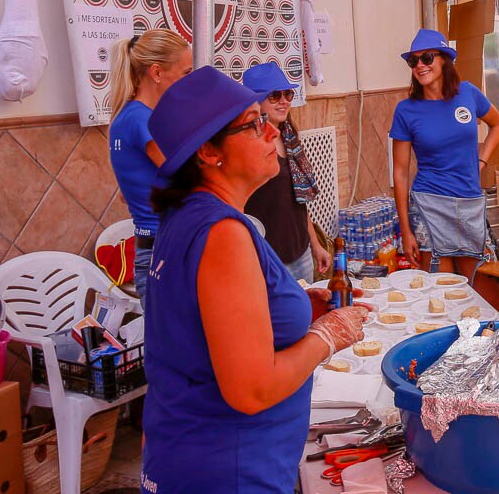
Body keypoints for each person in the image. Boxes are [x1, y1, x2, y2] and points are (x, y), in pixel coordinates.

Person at [141, 67, 371, 493]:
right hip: (230, 466)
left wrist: (300, 308)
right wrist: (328, 335)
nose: (272, 134)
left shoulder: (186, 216)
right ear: (209, 152)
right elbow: (251, 390)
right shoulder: (223, 233)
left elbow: (204, 322)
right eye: (253, 124)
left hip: (190, 451)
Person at [391, 29, 499, 295]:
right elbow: (399, 173)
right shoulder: (406, 110)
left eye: (427, 58)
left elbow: (497, 124)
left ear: (444, 60)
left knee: (485, 293)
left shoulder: (468, 94)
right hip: (428, 204)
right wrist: (405, 230)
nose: (420, 65)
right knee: (439, 293)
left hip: (469, 202)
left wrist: (481, 160)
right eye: (414, 61)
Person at [107, 29, 192, 303]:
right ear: (157, 73)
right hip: (166, 252)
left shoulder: (126, 118)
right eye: (185, 73)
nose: (188, 83)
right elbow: (189, 177)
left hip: (155, 248)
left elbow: (128, 191)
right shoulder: (144, 121)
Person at [242, 62, 332, 282]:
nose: (283, 101)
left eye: (288, 94)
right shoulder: (246, 145)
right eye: (274, 96)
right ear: (255, 102)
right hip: (268, 258)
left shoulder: (289, 137)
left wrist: (315, 244)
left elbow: (298, 201)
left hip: (300, 253)